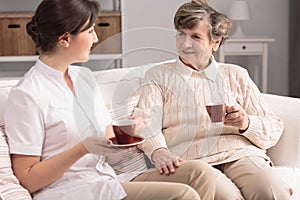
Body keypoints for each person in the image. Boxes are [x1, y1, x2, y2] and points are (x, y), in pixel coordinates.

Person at [4, 0, 216, 199]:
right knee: (183, 196)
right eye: (90, 31)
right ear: (65, 39)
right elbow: (27, 178)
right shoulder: (27, 95)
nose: (96, 38)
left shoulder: (83, 77)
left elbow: (106, 144)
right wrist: (82, 148)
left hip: (108, 176)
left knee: (201, 173)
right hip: (71, 190)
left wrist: (127, 134)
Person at [133, 0, 293, 199]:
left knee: (271, 191)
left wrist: (246, 123)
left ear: (215, 43)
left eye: (196, 37)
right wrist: (158, 150)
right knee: (227, 197)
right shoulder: (159, 76)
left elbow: (273, 127)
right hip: (192, 159)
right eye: (181, 34)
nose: (185, 43)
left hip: (240, 152)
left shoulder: (235, 75)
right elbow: (144, 121)